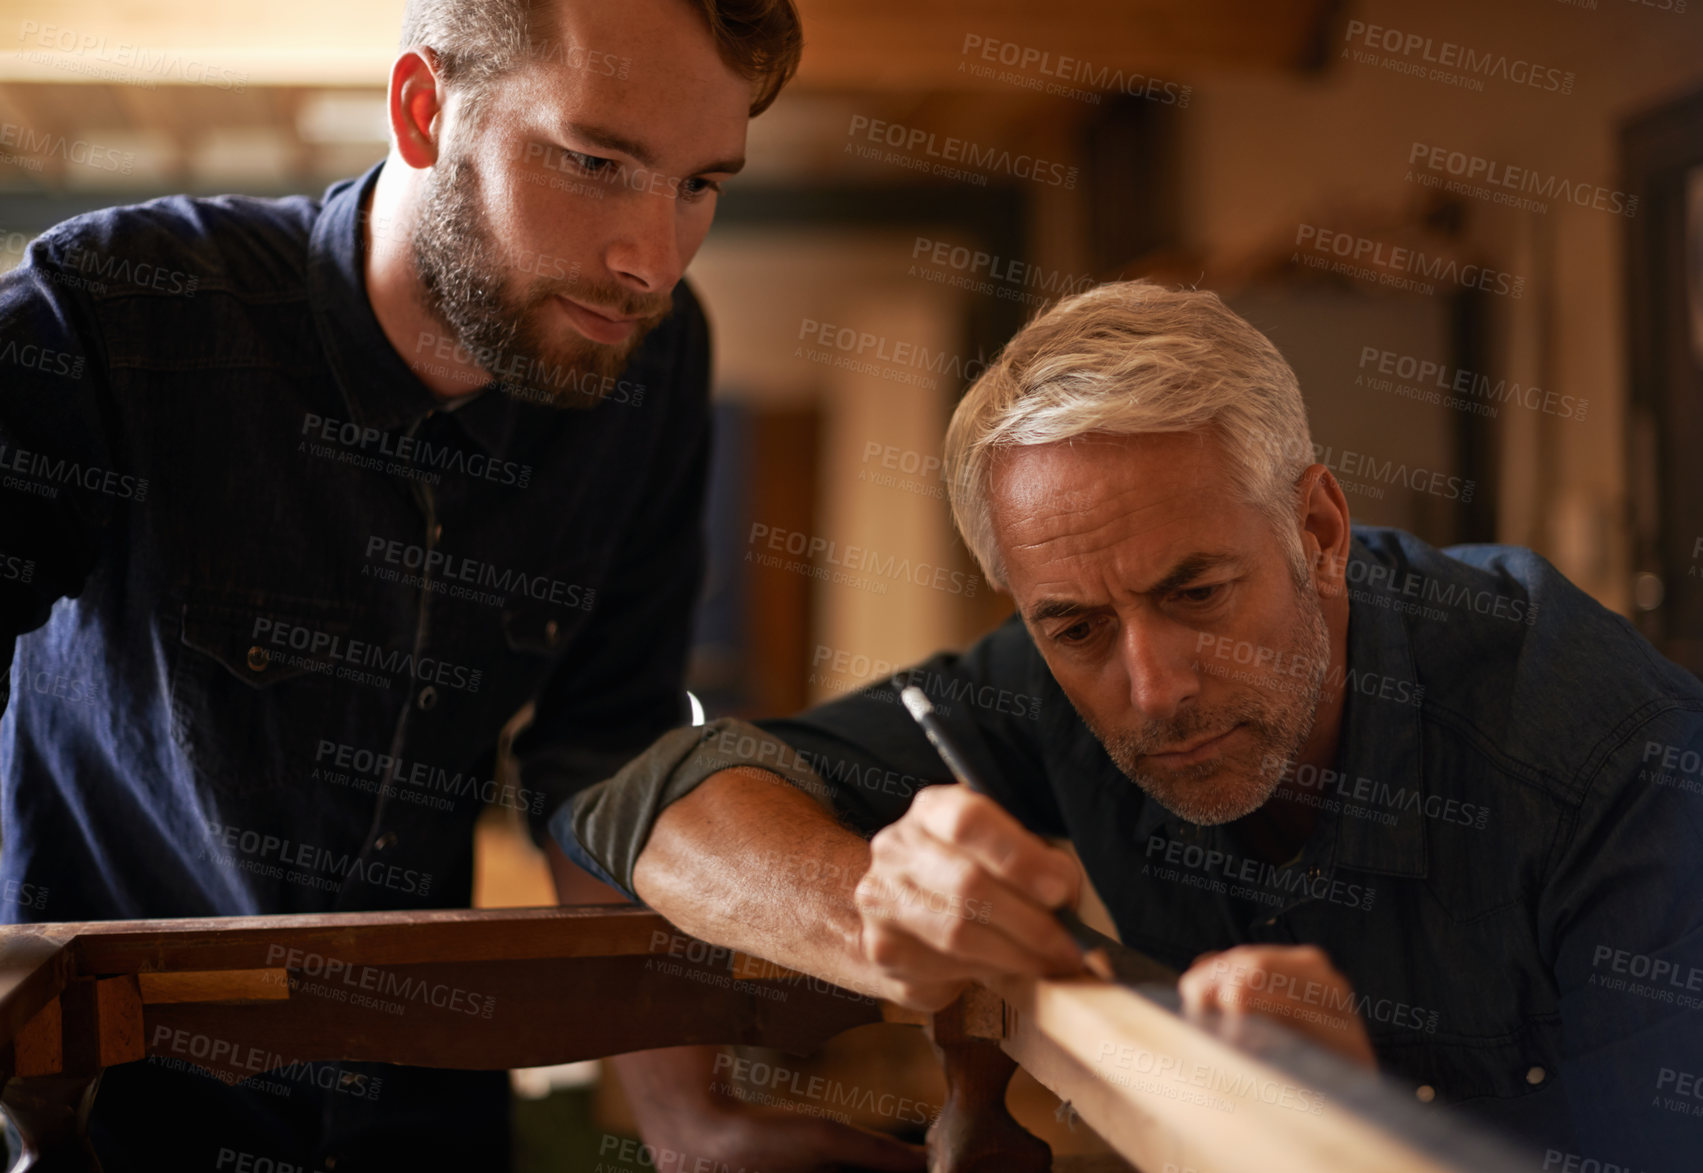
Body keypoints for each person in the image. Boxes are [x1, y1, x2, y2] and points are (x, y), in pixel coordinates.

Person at [0, 1, 924, 1169]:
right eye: (594, 162)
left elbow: (607, 760)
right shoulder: (119, 312)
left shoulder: (653, 360)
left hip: (424, 1106)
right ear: (423, 110)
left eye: (700, 185)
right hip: (100, 1117)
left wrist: (687, 1124)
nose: (650, 258)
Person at [559, 280, 1703, 1171]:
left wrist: (1361, 1132)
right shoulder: (1052, 669)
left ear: (1314, 527)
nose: (1150, 689)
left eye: (1196, 595)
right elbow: (649, 796)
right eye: (1073, 628)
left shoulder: (1619, 770)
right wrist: (874, 915)